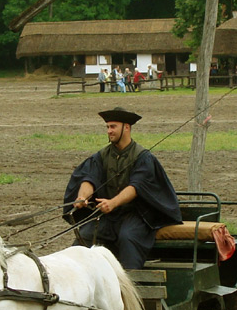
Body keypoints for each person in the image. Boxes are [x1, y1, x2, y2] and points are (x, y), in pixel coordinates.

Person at [63, 108, 182, 270]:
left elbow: (136, 187)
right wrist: (82, 197)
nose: (109, 131)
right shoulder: (102, 155)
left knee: (128, 237)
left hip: (135, 215)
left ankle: (130, 285)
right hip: (108, 216)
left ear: (126, 127)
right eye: (107, 127)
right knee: (84, 236)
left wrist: (112, 203)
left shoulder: (143, 157)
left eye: (113, 127)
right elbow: (89, 177)